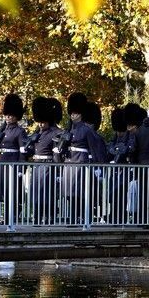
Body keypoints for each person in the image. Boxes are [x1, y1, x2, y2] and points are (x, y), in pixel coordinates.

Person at [60, 93, 107, 224]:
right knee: (69, 194)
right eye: (72, 113)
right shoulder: (69, 129)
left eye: (75, 113)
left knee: (79, 194)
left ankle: (82, 217)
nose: (73, 115)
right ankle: (74, 217)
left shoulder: (86, 130)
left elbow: (94, 148)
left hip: (80, 163)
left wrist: (98, 168)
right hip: (69, 164)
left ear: (81, 114)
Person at [0, 93, 28, 225]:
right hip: (2, 164)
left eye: (11, 115)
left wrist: (21, 168)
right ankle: (8, 215)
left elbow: (23, 151)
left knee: (13, 191)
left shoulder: (20, 131)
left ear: (16, 116)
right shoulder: (2, 130)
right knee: (4, 191)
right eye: (7, 115)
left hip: (13, 164)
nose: (8, 117)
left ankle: (13, 215)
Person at [27, 97, 62, 224]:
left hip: (48, 166)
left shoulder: (56, 132)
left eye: (43, 121)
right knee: (36, 193)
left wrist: (58, 171)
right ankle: (36, 217)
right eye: (39, 121)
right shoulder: (37, 133)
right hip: (37, 166)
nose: (41, 124)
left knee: (47, 194)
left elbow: (56, 153)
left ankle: (49, 217)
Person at [106, 106, 136, 224]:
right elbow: (111, 147)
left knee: (122, 192)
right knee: (113, 192)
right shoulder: (117, 135)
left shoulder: (130, 136)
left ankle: (121, 214)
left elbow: (129, 149)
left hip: (125, 169)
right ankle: (114, 213)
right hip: (116, 169)